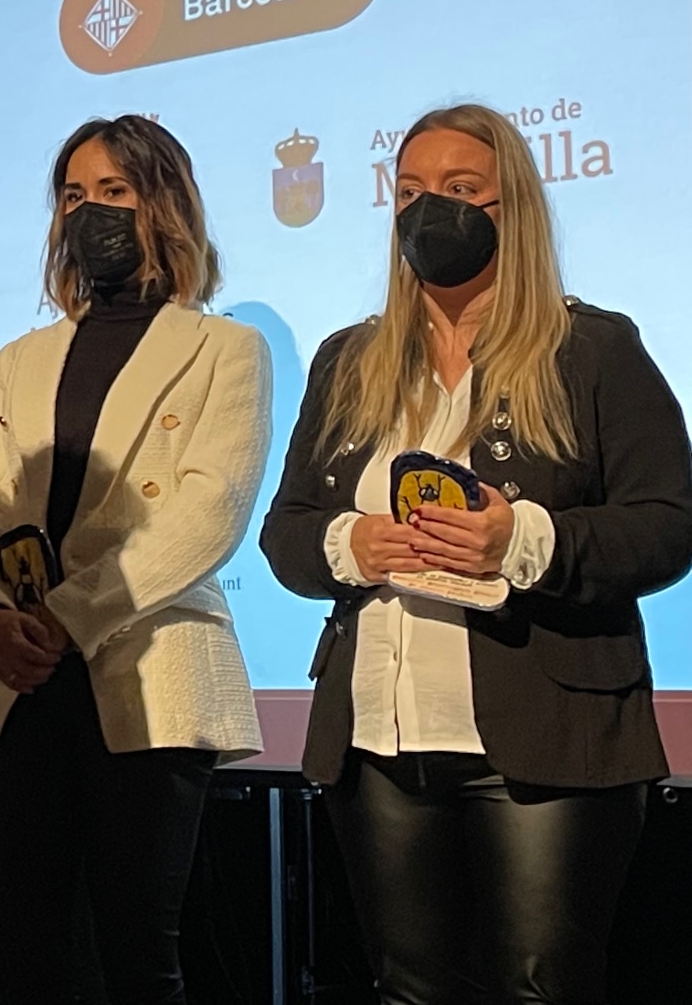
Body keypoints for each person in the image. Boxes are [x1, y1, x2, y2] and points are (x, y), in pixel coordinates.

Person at [259, 103, 692, 1005]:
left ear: (512, 207)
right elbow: (287, 530)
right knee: (410, 990)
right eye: (410, 191)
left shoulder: (593, 349)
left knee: (543, 987)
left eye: (460, 189)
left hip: (549, 735)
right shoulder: (348, 360)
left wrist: (521, 539)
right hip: (379, 738)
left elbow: (667, 523)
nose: (430, 210)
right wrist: (351, 544)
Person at [0, 115, 269, 1005]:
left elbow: (209, 512)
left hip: (149, 670)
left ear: (164, 206)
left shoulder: (225, 347)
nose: (89, 211)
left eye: (114, 192)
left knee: (138, 956)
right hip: (23, 678)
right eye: (73, 195)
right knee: (19, 950)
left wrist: (65, 616)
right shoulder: (23, 357)